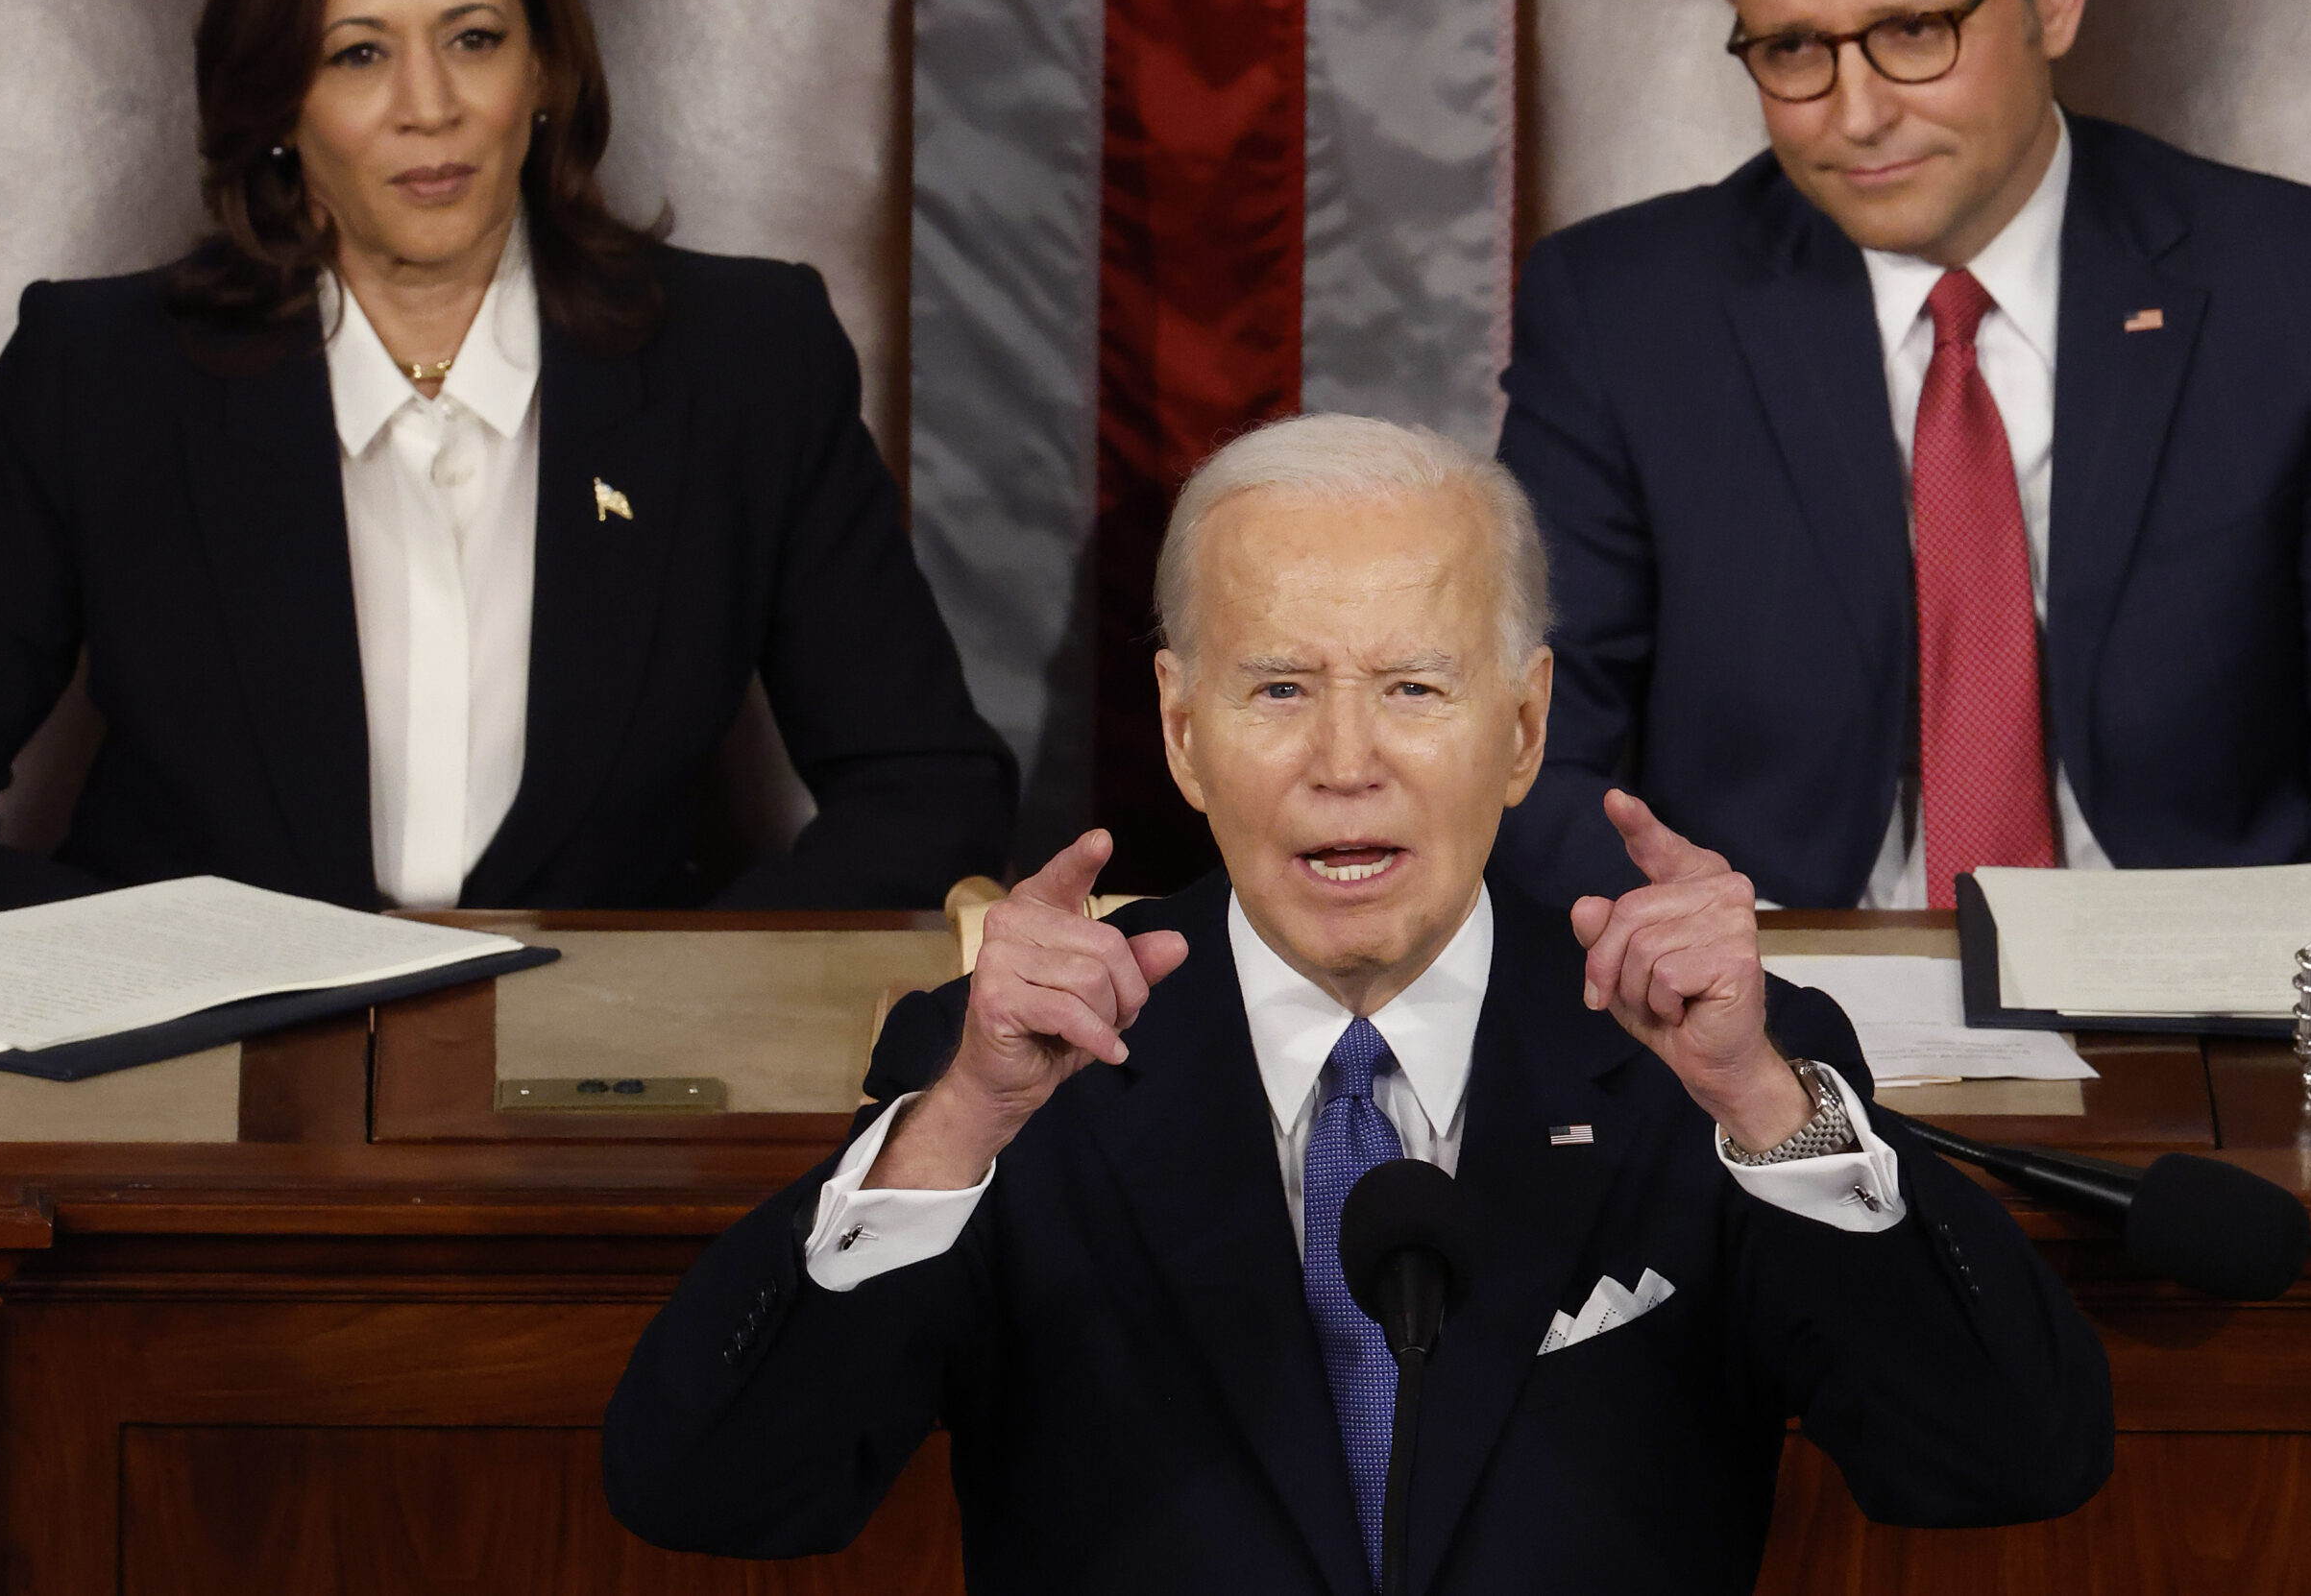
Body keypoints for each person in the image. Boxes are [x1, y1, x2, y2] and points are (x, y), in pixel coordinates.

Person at [602, 415, 2111, 1592]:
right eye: (1278, 689)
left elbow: (2010, 1459)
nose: (1345, 762)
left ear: (1522, 728)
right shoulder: (1004, 1070)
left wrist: (1764, 1105)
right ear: (1181, 731)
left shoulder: (1708, 1057)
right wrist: (957, 1127)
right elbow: (710, 1490)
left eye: (1413, 687)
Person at [0, 0, 1013, 913]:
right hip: (200, 1032)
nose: (428, 105)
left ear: (543, 71)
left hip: (603, 1041)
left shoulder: (746, 361)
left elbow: (928, 791)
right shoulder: (98, 377)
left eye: (472, 39)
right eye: (359, 54)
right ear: (276, 103)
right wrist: (137, 976)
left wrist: (677, 992)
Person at [1496, 0, 2311, 912]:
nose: (1857, 115)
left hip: (2204, 969)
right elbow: (1521, 756)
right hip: (1769, 965)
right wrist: (1683, 943)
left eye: (1914, 32)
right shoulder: (1621, 314)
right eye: (1792, 48)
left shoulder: (2303, 290)